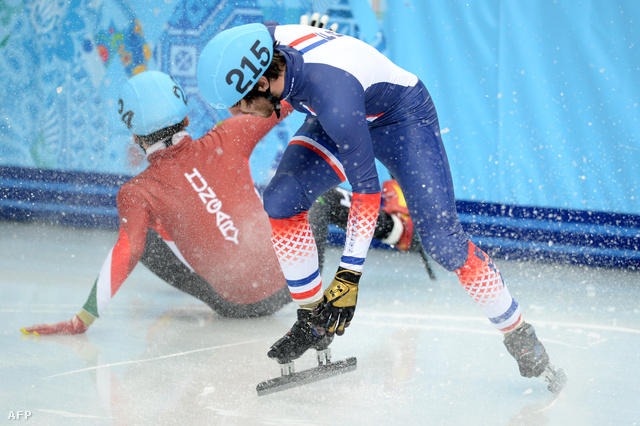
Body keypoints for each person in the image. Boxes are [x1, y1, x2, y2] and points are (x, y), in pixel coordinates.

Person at [196, 22, 559, 384]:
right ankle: (312, 322)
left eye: (238, 103)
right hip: (345, 114)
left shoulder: (331, 92)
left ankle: (519, 332)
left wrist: (348, 276)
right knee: (281, 200)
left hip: (401, 118)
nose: (235, 114)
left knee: (444, 243)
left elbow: (365, 194)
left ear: (262, 83)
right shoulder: (263, 40)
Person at [21, 70, 417, 335]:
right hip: (292, 286)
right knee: (312, 195)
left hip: (230, 305)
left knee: (137, 236)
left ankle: (221, 269)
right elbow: (289, 100)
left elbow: (126, 252)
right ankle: (398, 229)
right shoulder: (230, 134)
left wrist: (81, 319)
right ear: (187, 119)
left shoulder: (135, 192)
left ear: (137, 139)